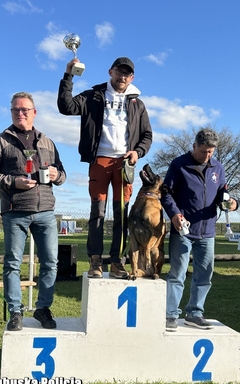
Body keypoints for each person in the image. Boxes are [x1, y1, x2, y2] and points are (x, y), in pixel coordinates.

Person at [57, 56, 152, 279]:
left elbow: (147, 135)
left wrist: (137, 152)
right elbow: (66, 106)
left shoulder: (138, 103)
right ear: (110, 72)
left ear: (132, 78)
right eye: (119, 72)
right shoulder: (94, 95)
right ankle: (95, 261)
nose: (122, 77)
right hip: (99, 161)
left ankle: (118, 262)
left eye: (127, 74)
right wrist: (68, 75)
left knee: (121, 215)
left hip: (124, 164)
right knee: (97, 213)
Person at [0, 92, 66, 331]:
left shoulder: (47, 141)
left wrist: (57, 176)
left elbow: (62, 174)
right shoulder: (1, 141)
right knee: (13, 264)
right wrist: (12, 181)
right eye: (15, 110)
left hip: (46, 211)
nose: (20, 113)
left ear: (34, 112)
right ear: (11, 112)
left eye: (25, 109)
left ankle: (42, 308)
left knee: (51, 263)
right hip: (14, 210)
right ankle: (15, 311)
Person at [161, 128, 238, 331]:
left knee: (204, 275)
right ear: (194, 146)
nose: (207, 156)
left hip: (208, 232)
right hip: (184, 230)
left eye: (211, 152)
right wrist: (174, 214)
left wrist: (232, 203)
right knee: (177, 274)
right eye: (204, 151)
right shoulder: (178, 165)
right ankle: (170, 314)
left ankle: (195, 313)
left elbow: (224, 193)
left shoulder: (218, 168)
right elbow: (166, 193)